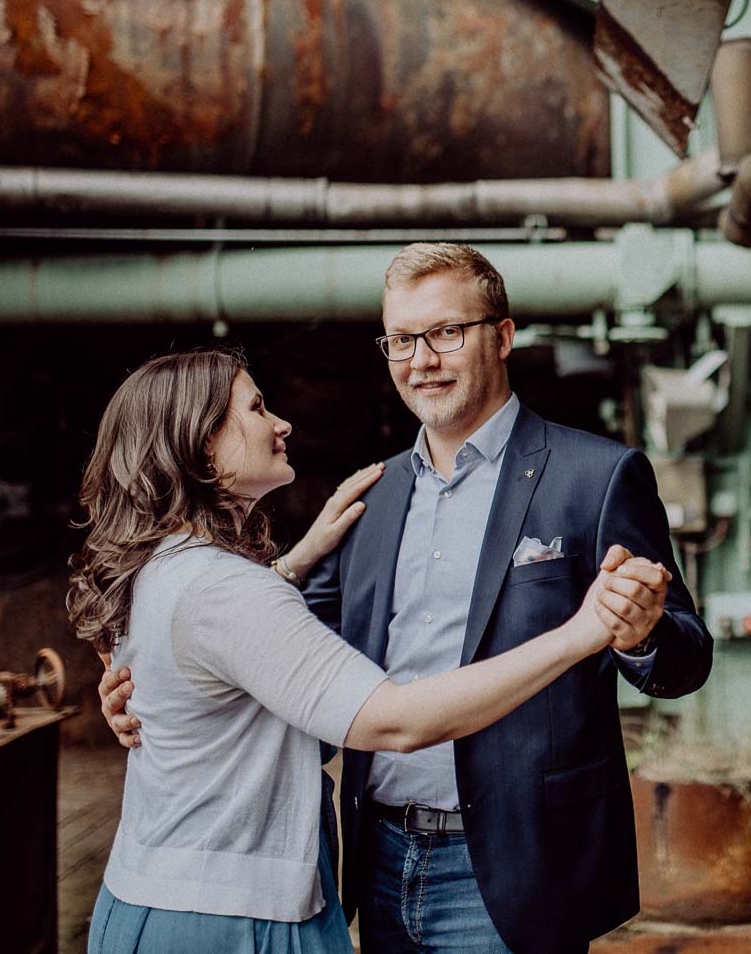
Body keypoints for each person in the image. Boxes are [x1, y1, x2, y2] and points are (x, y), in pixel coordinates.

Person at [101, 243, 715, 953]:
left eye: (446, 332)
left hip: (518, 869)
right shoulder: (372, 495)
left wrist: (638, 634)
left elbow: (687, 656)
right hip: (381, 855)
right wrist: (153, 687)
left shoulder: (595, 476)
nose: (422, 359)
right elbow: (276, 642)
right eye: (401, 339)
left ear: (503, 335)